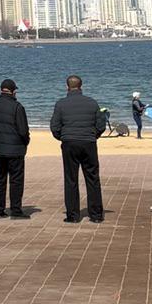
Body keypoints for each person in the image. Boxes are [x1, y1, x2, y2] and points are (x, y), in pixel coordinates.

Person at [49, 74, 106, 223]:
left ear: (67, 87)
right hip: (88, 142)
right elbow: (101, 125)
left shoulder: (60, 104)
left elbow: (54, 127)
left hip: (69, 142)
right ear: (81, 86)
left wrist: (63, 137)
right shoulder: (92, 103)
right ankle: (96, 215)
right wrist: (94, 136)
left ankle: (73, 215)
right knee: (92, 178)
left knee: (71, 179)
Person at [0, 78, 30, 218]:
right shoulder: (17, 107)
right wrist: (26, 142)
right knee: (16, 180)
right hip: (15, 149)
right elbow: (23, 130)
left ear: (1, 90)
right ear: (13, 91)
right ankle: (15, 210)